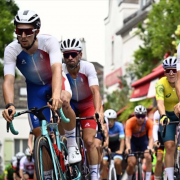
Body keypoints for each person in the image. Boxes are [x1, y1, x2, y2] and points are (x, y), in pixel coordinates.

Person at [2, 10, 81, 176]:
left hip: (54, 80)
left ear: (36, 31)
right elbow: (8, 80)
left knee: (65, 101)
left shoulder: (49, 42)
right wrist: (10, 105)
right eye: (19, 31)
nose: (23, 35)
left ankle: (72, 145)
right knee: (39, 135)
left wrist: (57, 95)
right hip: (34, 89)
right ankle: (47, 175)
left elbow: (57, 69)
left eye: (28, 31)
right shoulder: (11, 50)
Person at [60, 38, 103, 180]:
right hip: (70, 104)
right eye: (66, 55)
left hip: (87, 105)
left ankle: (95, 175)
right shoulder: (60, 69)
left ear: (80, 55)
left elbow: (96, 91)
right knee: (63, 137)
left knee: (89, 141)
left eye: (73, 54)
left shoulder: (88, 67)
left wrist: (97, 110)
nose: (70, 58)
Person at [155, 56, 178, 180]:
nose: (171, 73)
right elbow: (160, 102)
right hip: (168, 115)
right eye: (168, 70)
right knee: (169, 146)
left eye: (174, 70)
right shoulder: (160, 84)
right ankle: (170, 177)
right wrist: (163, 115)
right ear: (164, 72)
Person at [124, 105, 153, 180]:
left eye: (142, 116)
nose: (140, 119)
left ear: (145, 115)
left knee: (148, 156)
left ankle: (147, 178)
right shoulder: (130, 122)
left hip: (143, 140)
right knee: (131, 162)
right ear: (135, 115)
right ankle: (129, 178)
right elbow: (127, 138)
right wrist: (128, 148)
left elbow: (151, 138)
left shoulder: (149, 122)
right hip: (133, 141)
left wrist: (150, 148)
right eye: (138, 116)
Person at [101, 109, 125, 180]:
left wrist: (121, 150)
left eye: (112, 120)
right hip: (107, 146)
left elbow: (122, 140)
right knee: (104, 164)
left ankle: (119, 177)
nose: (110, 122)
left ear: (115, 120)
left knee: (117, 162)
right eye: (108, 120)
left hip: (117, 146)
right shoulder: (103, 126)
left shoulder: (119, 126)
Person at [153, 109, 165, 180]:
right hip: (160, 136)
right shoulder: (157, 113)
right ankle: (157, 178)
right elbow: (155, 128)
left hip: (173, 134)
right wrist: (156, 140)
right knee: (159, 159)